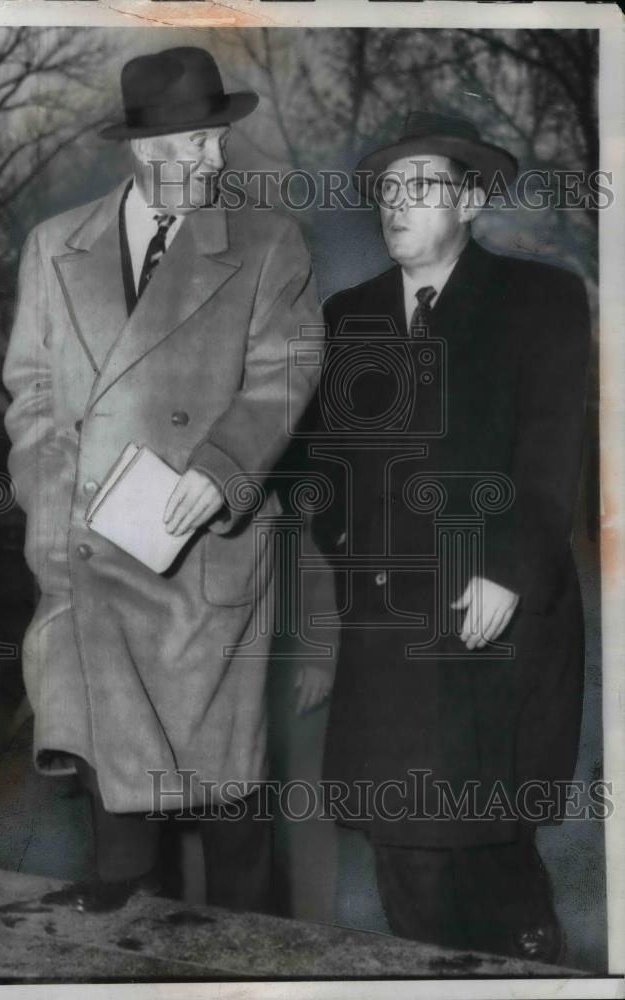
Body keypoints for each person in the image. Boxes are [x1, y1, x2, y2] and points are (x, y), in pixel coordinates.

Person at [3, 45, 322, 913]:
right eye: (194, 145)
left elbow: (286, 370)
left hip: (204, 549)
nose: (214, 159)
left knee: (226, 794)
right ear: (147, 150)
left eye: (216, 141)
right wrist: (47, 501)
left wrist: (221, 472)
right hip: (89, 542)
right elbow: (30, 392)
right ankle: (120, 937)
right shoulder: (51, 247)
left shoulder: (266, 244)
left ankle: (253, 955)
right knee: (116, 792)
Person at [314, 110, 590, 962]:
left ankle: (528, 968)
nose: (396, 205)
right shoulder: (349, 313)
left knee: (488, 850)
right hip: (389, 639)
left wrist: (505, 569)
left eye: (421, 185)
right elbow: (324, 466)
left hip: (494, 621)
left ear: (468, 199)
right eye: (387, 189)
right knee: (404, 856)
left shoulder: (537, 299)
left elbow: (551, 452)